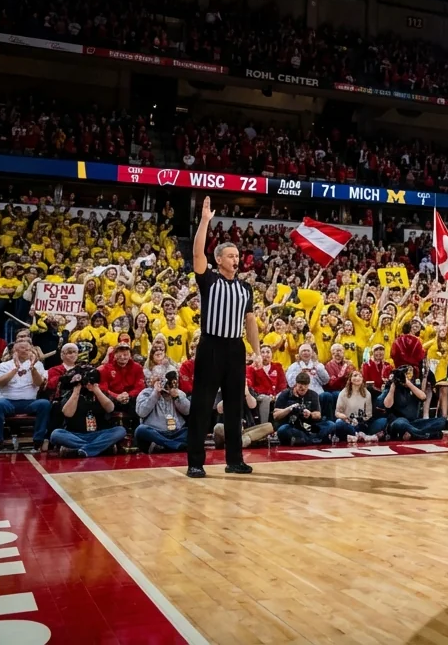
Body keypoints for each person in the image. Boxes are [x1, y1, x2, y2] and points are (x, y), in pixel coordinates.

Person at [186, 196, 262, 478]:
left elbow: (250, 321)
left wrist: (256, 351)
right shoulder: (209, 279)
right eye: (230, 255)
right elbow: (196, 256)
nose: (236, 259)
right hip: (211, 346)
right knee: (202, 405)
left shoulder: (245, 289)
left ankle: (235, 459)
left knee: (234, 405)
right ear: (218, 259)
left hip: (235, 348)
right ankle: (195, 461)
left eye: (237, 256)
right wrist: (205, 221)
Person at [50, 366, 129, 458]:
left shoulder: (100, 392)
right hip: (76, 434)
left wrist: (96, 390)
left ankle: (83, 449)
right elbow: (68, 413)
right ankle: (97, 448)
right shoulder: (70, 394)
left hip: (99, 434)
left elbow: (110, 408)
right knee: (56, 434)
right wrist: (76, 392)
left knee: (120, 430)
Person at [0, 339, 49, 451]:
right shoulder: (4, 365)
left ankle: (38, 441)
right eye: (23, 348)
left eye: (29, 349)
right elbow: (0, 382)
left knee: (44, 404)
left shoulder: (38, 365)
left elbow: (39, 383)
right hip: (8, 401)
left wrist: (32, 368)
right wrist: (15, 369)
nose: (26, 350)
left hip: (29, 402)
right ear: (14, 351)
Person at [133, 369, 192, 453]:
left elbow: (187, 411)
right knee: (141, 430)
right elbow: (141, 413)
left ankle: (164, 446)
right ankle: (174, 445)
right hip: (155, 433)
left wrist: (176, 397)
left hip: (175, 433)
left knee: (194, 430)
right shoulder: (146, 393)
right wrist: (155, 393)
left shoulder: (179, 393)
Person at [273, 371, 334, 445]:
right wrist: (290, 408)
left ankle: (306, 440)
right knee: (282, 430)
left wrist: (310, 414)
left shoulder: (313, 394)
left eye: (306, 386)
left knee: (331, 424)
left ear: (308, 385)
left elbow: (318, 415)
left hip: (309, 427)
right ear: (296, 384)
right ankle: (313, 439)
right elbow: (275, 415)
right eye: (301, 386)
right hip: (292, 426)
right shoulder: (285, 394)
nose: (303, 388)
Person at [333, 369, 377, 443]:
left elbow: (369, 414)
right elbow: (337, 413)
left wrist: (359, 420)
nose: (358, 378)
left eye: (360, 376)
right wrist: (345, 417)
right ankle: (358, 435)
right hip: (348, 423)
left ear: (362, 379)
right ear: (350, 379)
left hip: (362, 424)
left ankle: (356, 436)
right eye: (355, 375)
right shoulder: (343, 393)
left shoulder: (367, 394)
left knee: (382, 421)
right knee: (339, 423)